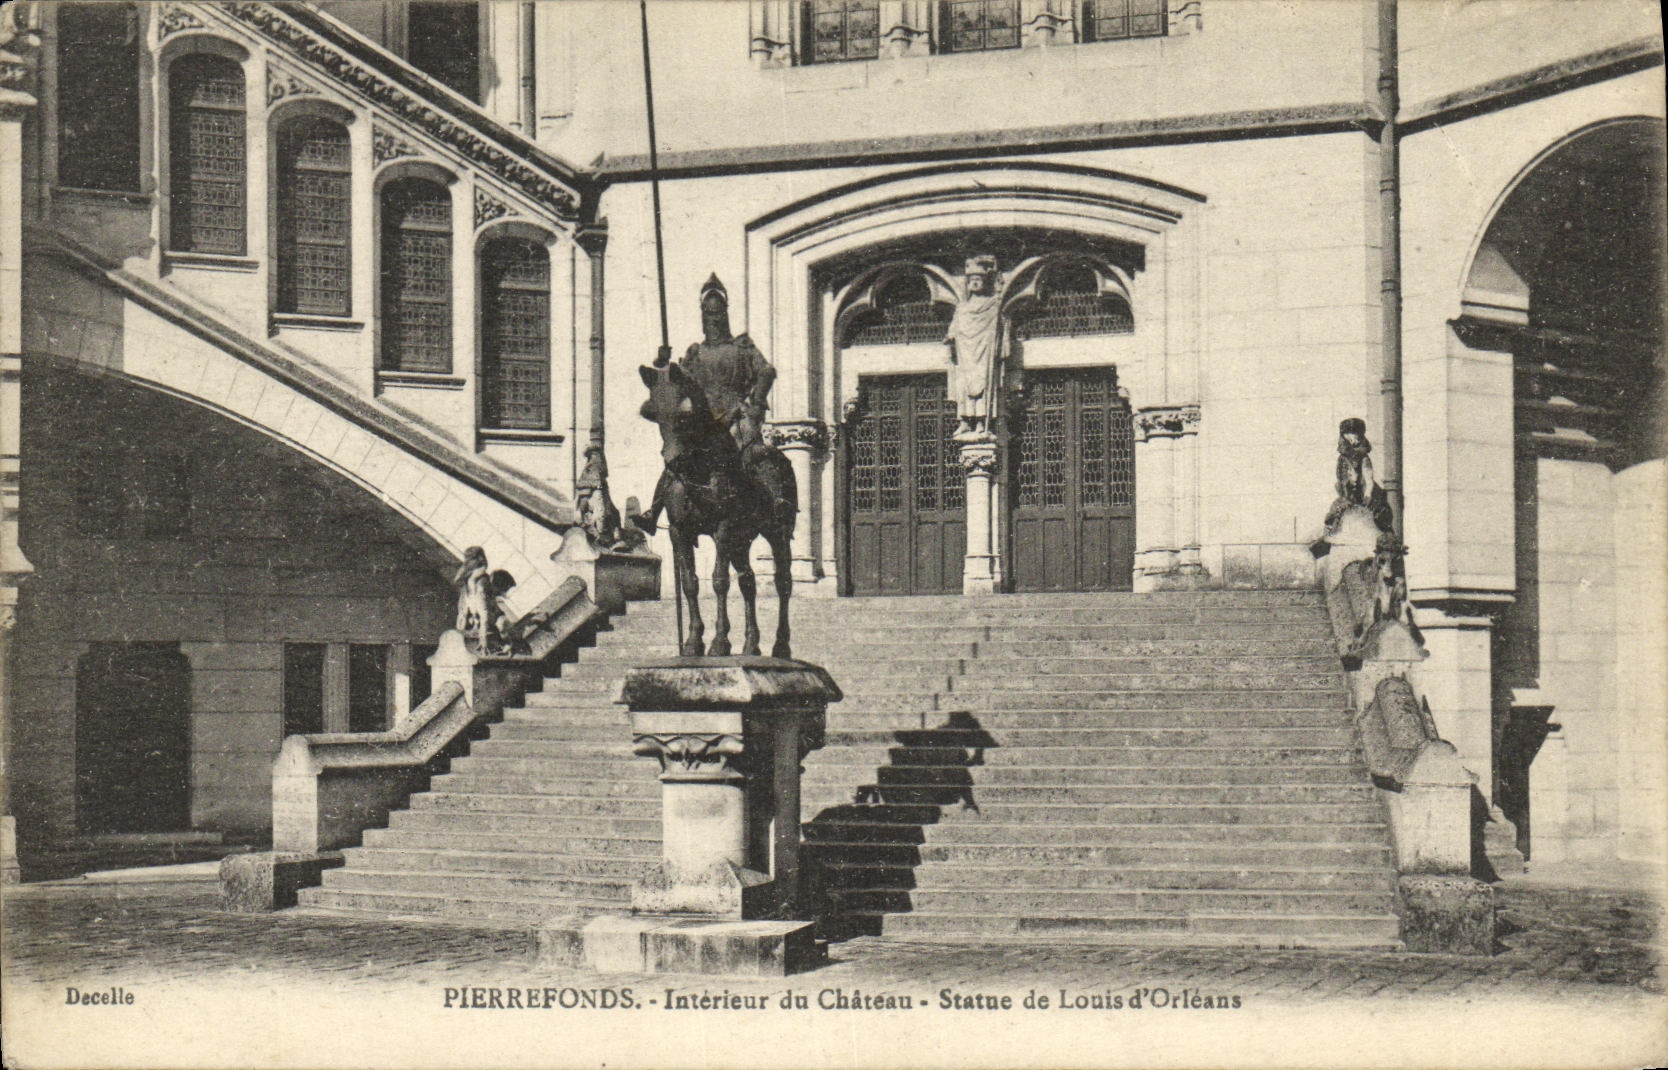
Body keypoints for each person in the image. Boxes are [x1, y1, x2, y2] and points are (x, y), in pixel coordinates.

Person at [632, 274, 777, 535]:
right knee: (677, 456)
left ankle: (767, 505)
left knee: (748, 454)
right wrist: (663, 363)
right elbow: (677, 381)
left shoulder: (742, 347)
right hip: (704, 419)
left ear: (725, 313)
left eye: (717, 312)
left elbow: (766, 371)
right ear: (702, 315)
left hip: (735, 415)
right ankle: (654, 511)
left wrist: (755, 401)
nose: (713, 319)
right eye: (708, 313)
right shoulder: (695, 352)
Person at [945, 255, 1005, 436]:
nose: (975, 283)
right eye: (972, 280)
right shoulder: (962, 308)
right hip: (965, 353)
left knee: (983, 384)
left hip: (983, 352)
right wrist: (951, 336)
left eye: (978, 280)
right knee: (963, 384)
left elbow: (999, 328)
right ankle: (965, 420)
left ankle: (981, 421)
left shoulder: (992, 305)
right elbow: (954, 328)